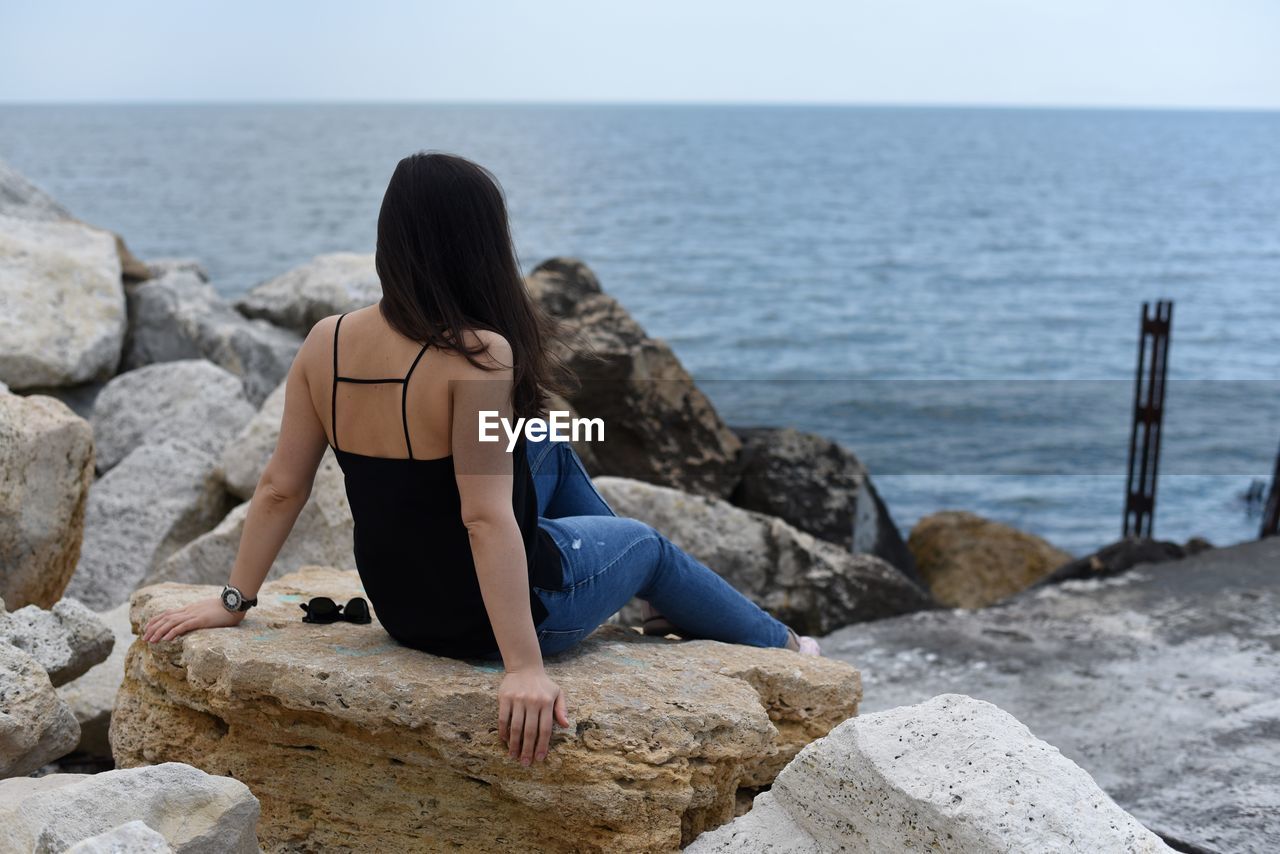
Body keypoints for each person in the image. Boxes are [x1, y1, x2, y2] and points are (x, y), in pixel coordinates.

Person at [140, 151, 820, 771]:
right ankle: (784, 646)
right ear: (479, 245)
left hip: (404, 607)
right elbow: (485, 519)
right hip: (493, 618)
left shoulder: (327, 341)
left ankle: (647, 595)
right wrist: (522, 667)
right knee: (647, 546)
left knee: (542, 441)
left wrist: (234, 600)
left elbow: (280, 488)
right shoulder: (477, 354)